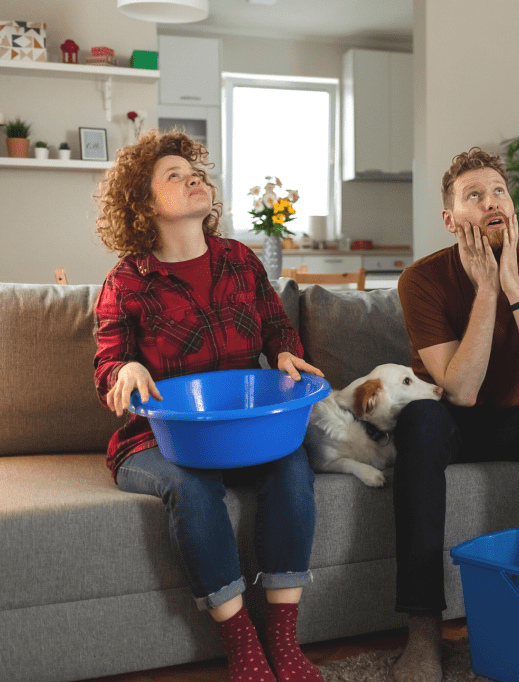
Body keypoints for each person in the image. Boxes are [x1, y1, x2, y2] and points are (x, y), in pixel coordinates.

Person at [93, 130, 325, 682]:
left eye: (194, 172)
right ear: (145, 205)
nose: (193, 178)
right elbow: (107, 368)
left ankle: (284, 640)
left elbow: (275, 326)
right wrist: (124, 369)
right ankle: (242, 642)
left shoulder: (241, 260)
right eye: (173, 176)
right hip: (158, 440)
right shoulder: (126, 281)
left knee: (294, 468)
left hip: (242, 431)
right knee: (191, 485)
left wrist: (288, 353)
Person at [392, 148, 519, 682]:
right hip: (453, 425)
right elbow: (459, 390)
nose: (491, 203)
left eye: (499, 192)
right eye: (474, 195)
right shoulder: (421, 279)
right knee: (420, 420)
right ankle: (422, 629)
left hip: (517, 420)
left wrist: (511, 283)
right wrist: (485, 289)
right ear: (450, 219)